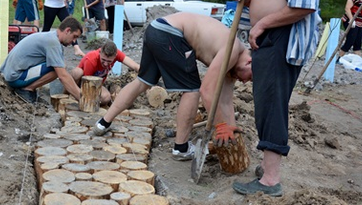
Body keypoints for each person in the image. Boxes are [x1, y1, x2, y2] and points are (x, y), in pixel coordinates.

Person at [232, 0, 329, 197]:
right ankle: (268, 168)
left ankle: (271, 181)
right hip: (272, 36)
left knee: (272, 101)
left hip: (282, 38)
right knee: (266, 100)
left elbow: (305, 5)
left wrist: (261, 23)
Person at [93, 12, 252, 162]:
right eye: (249, 77)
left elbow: (225, 100)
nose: (245, 82)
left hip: (156, 28)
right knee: (192, 90)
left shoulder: (233, 67)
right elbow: (207, 91)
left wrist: (231, 128)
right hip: (171, 33)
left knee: (143, 82)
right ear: (249, 62)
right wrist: (221, 126)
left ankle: (103, 123)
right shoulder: (232, 51)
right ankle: (181, 148)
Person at [0, 17, 83, 104]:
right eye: (74, 37)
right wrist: (82, 99)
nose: (74, 41)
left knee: (59, 65)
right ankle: (26, 89)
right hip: (14, 78)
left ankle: (28, 88)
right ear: (67, 30)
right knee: (56, 69)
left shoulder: (51, 36)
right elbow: (63, 76)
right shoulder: (53, 43)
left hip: (10, 73)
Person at [71, 40, 140, 105]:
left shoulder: (117, 54)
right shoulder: (91, 59)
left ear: (115, 56)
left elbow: (135, 66)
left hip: (97, 84)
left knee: (106, 97)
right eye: (103, 60)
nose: (106, 64)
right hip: (83, 82)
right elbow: (87, 83)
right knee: (77, 72)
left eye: (109, 61)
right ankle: (71, 94)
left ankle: (90, 102)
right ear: (100, 52)